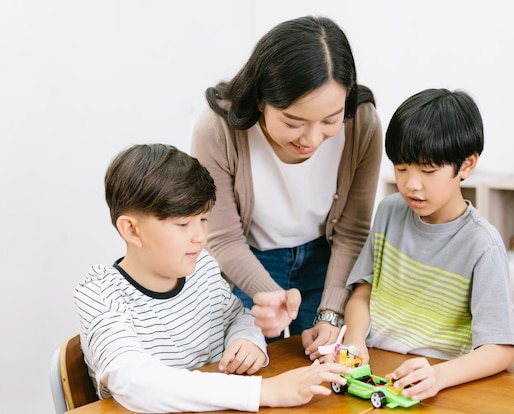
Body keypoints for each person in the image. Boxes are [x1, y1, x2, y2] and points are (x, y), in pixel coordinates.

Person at [73, 143, 353, 413]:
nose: (200, 236)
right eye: (182, 224)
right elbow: (133, 382)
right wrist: (262, 392)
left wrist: (247, 341)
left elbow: (236, 316)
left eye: (203, 219)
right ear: (132, 230)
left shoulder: (202, 266)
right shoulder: (100, 294)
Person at [190, 15, 382, 350]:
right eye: (293, 121)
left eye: (330, 119)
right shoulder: (218, 130)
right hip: (248, 260)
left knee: (321, 366)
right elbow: (224, 240)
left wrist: (331, 312)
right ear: (262, 99)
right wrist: (269, 294)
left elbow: (352, 232)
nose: (311, 137)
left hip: (328, 259)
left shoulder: (362, 124)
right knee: (253, 367)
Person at [341, 88, 514, 401]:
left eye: (429, 170)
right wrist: (354, 340)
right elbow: (363, 290)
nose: (411, 184)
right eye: (402, 168)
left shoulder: (482, 245)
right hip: (375, 370)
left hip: (436, 384)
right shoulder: (389, 212)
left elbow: (500, 349)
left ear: (466, 165)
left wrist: (439, 376)